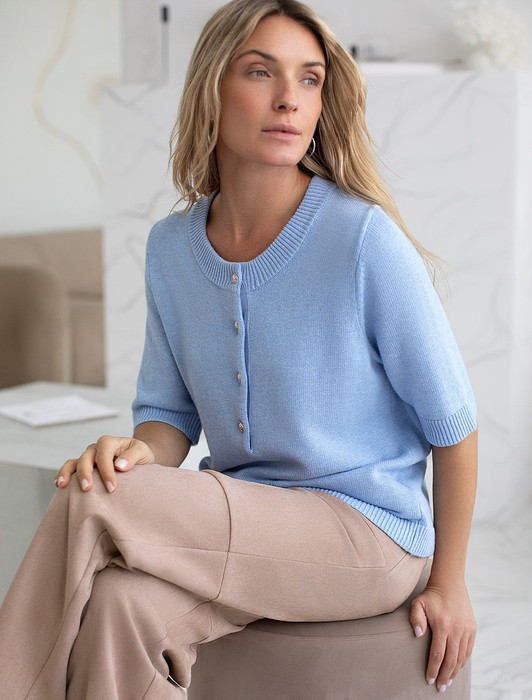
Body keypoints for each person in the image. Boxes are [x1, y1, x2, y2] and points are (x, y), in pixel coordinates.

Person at [0, 0, 478, 697]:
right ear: (213, 87)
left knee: (92, 500)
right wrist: (133, 455)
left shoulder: (360, 240)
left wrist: (450, 581)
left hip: (368, 536)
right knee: (119, 602)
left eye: (309, 79)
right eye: (261, 72)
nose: (289, 99)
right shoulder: (172, 249)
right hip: (246, 526)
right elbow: (168, 418)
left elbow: (454, 427)